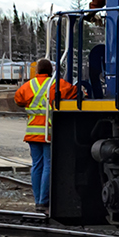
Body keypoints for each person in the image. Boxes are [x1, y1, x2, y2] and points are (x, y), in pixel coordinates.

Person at [15, 59, 76, 213]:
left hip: (32, 133)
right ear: (51, 71)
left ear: (37, 71)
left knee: (37, 165)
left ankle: (37, 201)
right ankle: (44, 202)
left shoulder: (29, 85)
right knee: (49, 165)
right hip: (49, 132)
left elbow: (18, 99)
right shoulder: (58, 84)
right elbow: (74, 93)